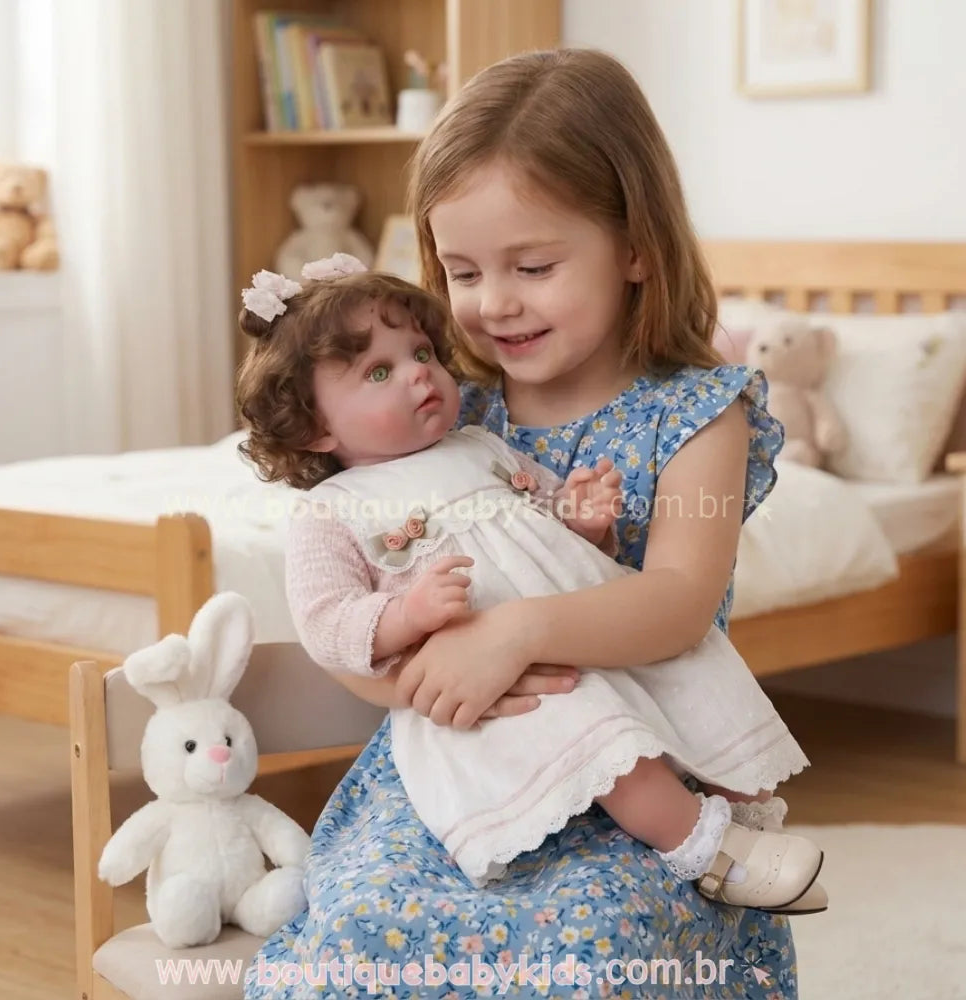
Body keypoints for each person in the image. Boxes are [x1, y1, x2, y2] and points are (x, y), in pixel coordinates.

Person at [244, 48, 807, 1000]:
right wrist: (427, 680)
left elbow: (676, 603)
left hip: (644, 773)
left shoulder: (699, 412)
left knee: (591, 950)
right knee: (367, 933)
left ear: (636, 247)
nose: (493, 302)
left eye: (533, 266)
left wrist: (512, 635)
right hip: (455, 765)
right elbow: (344, 608)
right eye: (461, 271)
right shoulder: (447, 409)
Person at [237, 254, 825, 914]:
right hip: (506, 686)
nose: (419, 374)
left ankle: (746, 812)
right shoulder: (333, 510)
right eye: (380, 371)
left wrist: (582, 519)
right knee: (604, 743)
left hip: (578, 624)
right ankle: (702, 848)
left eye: (422, 351)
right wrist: (406, 614)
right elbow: (325, 619)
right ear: (315, 426)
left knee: (691, 682)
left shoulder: (477, 444)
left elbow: (536, 521)